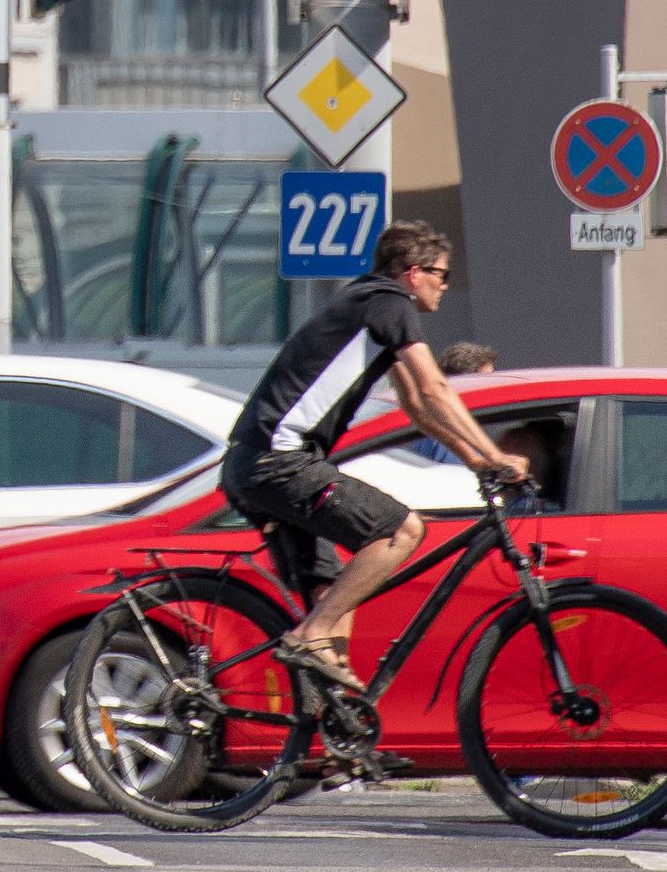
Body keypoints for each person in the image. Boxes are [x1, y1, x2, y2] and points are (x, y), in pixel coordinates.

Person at [220, 221, 524, 694]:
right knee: (401, 530)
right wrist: (495, 452)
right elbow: (435, 387)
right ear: (412, 272)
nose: (445, 285)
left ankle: (338, 741)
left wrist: (476, 461)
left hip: (258, 464)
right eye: (441, 274)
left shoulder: (368, 307)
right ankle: (308, 635)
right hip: (279, 462)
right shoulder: (387, 301)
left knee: (333, 592)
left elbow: (417, 408)